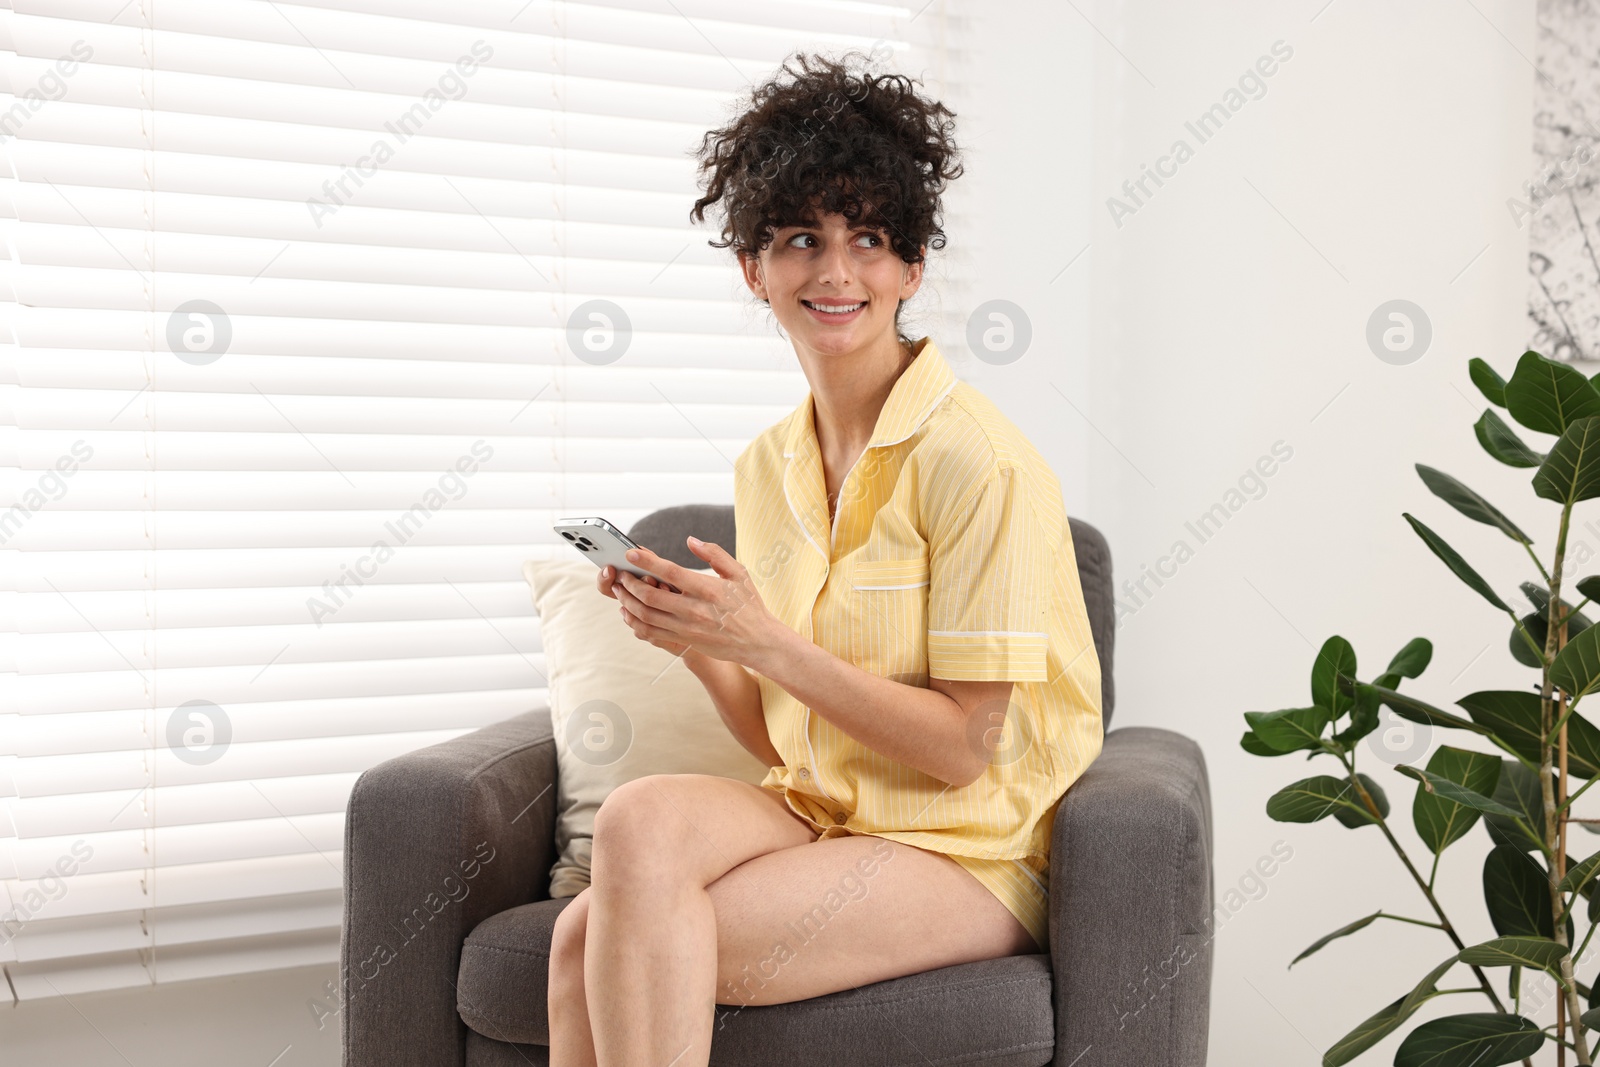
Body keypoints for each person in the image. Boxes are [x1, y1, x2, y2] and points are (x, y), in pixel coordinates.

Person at [546, 49, 1104, 1067]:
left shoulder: (979, 463)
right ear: (754, 268)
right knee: (629, 834)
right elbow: (781, 735)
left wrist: (763, 636)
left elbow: (960, 749)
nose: (836, 272)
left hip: (965, 845)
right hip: (823, 813)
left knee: (603, 934)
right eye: (801, 239)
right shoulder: (769, 465)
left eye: (868, 240)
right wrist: (702, 641)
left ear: (911, 266)